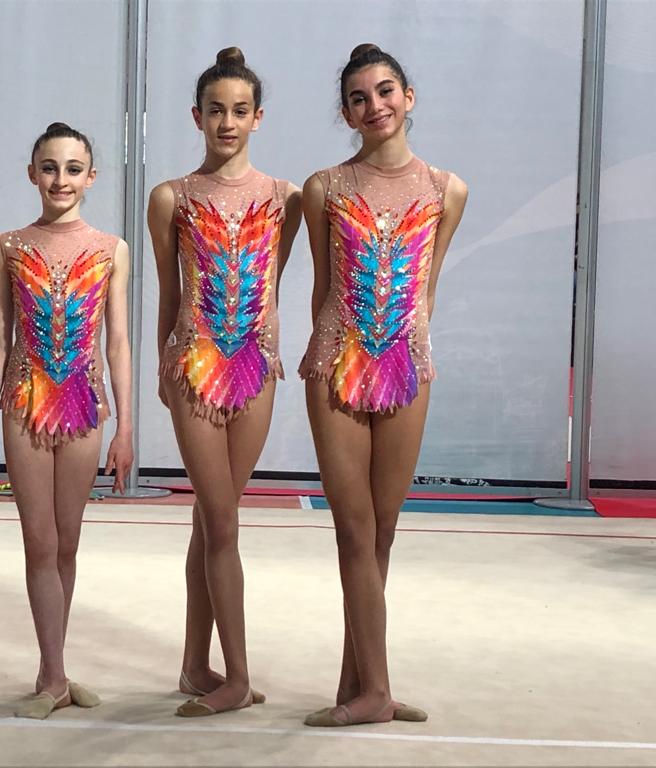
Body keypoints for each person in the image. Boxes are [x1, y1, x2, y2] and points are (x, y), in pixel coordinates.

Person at [299, 43, 468, 727]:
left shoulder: (447, 190)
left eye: (386, 90)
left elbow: (426, 290)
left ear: (409, 97)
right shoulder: (325, 188)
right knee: (353, 528)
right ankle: (377, 692)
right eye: (360, 98)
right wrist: (331, 350)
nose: (375, 106)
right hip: (337, 362)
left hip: (406, 363)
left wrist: (409, 348)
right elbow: (321, 288)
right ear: (347, 113)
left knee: (384, 533)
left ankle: (359, 683)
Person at [149, 47, 302, 717]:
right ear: (197, 116)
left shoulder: (286, 199)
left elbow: (272, 282)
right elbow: (168, 291)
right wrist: (164, 363)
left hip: (255, 366)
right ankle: (237, 677)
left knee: (212, 520)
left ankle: (194, 664)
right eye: (216, 111)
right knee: (221, 522)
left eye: (240, 111)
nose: (228, 123)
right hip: (194, 366)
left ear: (258, 117)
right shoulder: (172, 198)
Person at [0, 122, 133, 719]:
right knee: (39, 542)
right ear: (32, 174)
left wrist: (126, 425)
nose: (60, 179)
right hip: (25, 402)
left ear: (90, 177)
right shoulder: (9, 246)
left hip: (85, 405)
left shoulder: (110, 248)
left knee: (68, 543)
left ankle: (53, 670)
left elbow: (117, 341)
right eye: (49, 167)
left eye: (72, 169)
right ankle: (55, 676)